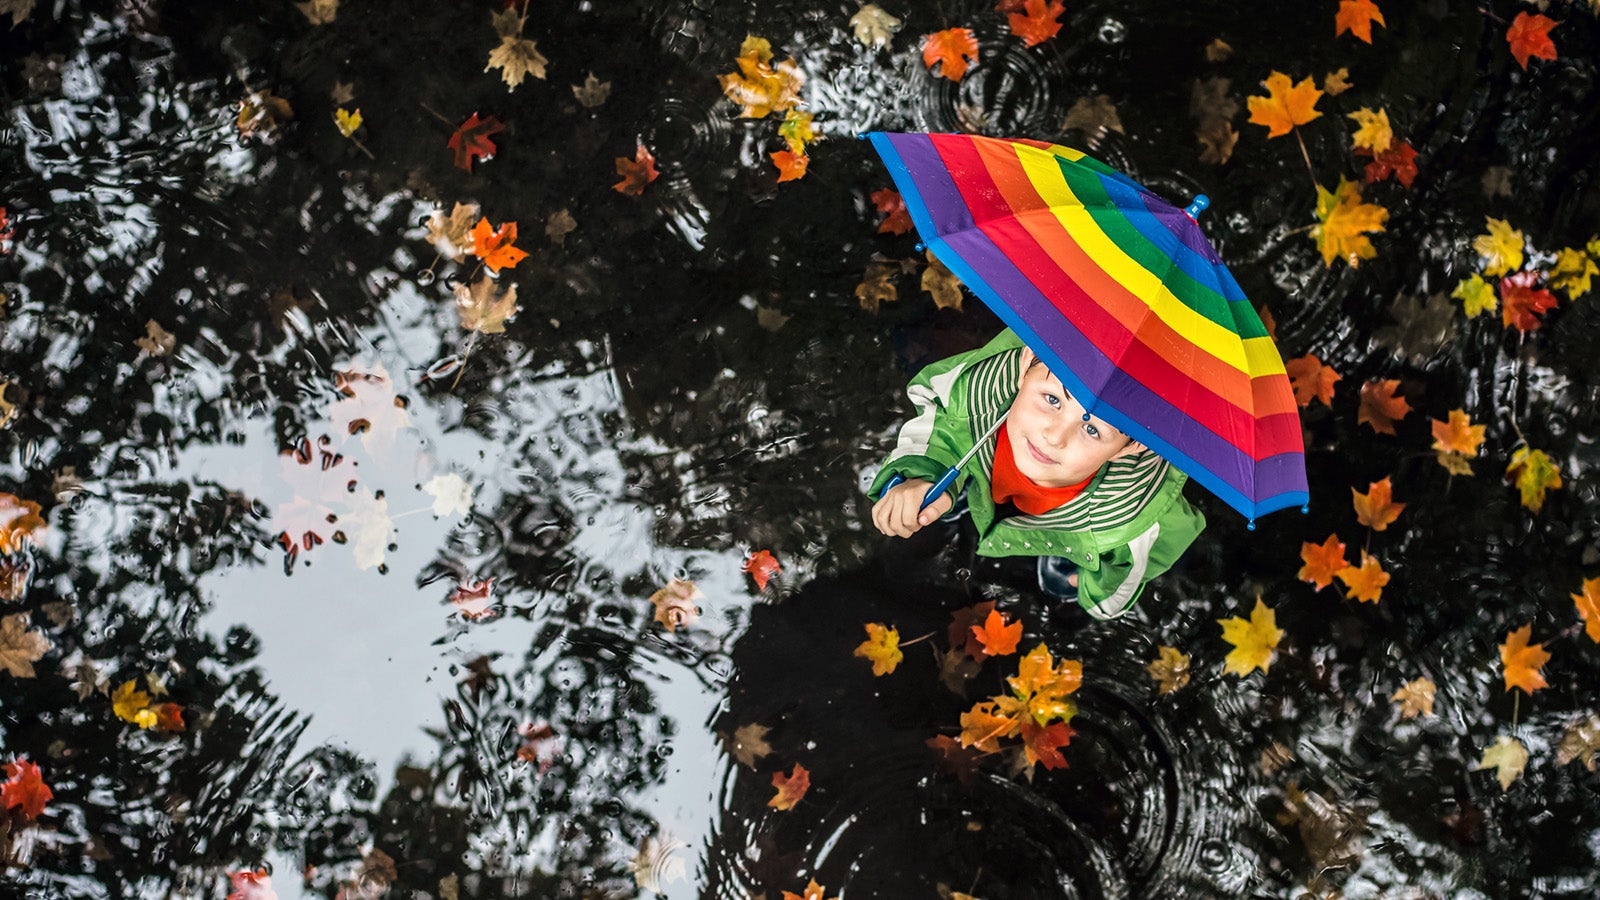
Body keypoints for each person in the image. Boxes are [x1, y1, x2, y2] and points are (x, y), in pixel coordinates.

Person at [868, 328, 1205, 621]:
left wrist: (1093, 593)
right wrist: (919, 474)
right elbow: (941, 423)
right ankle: (952, 491)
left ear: (1135, 447)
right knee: (944, 489)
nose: (1054, 436)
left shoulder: (1135, 520)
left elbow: (1128, 572)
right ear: (1025, 365)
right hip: (986, 473)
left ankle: (1062, 563)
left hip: (1073, 527)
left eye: (1092, 429)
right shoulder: (972, 399)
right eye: (1052, 399)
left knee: (1069, 575)